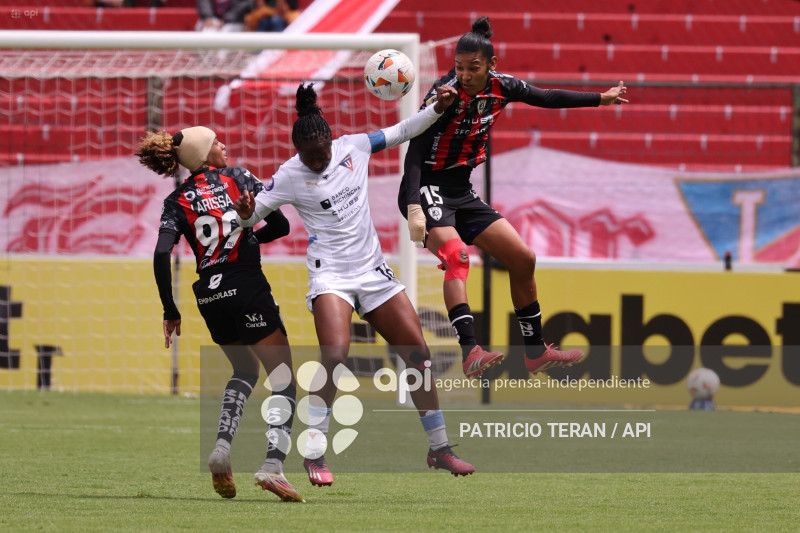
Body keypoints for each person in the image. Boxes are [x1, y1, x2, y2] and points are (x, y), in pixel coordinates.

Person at [234, 82, 475, 487]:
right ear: (298, 152)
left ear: (331, 141)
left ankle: (440, 449)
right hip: (330, 275)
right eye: (310, 157)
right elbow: (250, 215)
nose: (317, 161)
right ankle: (314, 451)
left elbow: (402, 130)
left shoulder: (354, 147)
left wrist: (436, 108)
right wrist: (245, 213)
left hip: (372, 271)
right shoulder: (289, 175)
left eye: (322, 153)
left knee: (419, 355)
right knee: (335, 355)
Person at [398, 16, 629, 379]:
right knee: (457, 258)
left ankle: (535, 352)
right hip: (427, 189)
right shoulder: (443, 96)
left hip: (461, 191)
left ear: (492, 65)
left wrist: (600, 99)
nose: (465, 75)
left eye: (473, 68)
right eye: (459, 68)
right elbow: (414, 152)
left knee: (523, 259)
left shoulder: (502, 86)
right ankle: (469, 351)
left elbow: (547, 97)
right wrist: (414, 205)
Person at [137, 126, 304, 503]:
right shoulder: (238, 176)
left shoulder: (175, 200)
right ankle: (273, 467)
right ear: (203, 154)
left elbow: (162, 253)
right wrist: (246, 238)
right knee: (284, 379)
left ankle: (222, 450)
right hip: (246, 283)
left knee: (245, 370)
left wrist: (170, 308)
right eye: (215, 142)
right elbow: (281, 225)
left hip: (209, 295)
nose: (223, 145)